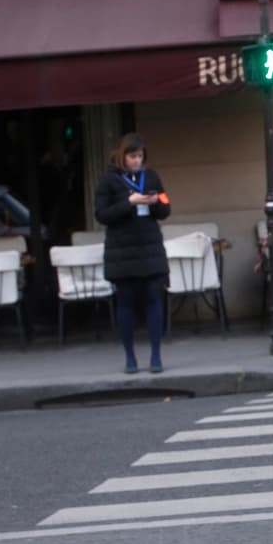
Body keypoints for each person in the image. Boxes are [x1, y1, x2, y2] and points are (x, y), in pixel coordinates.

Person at [94, 133, 171, 374]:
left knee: (153, 299)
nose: (137, 161)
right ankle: (130, 357)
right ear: (122, 156)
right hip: (122, 249)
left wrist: (154, 202)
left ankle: (156, 356)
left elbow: (166, 207)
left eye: (139, 156)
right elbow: (101, 214)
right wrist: (130, 202)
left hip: (149, 245)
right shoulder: (109, 180)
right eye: (132, 156)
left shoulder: (152, 176)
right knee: (125, 302)